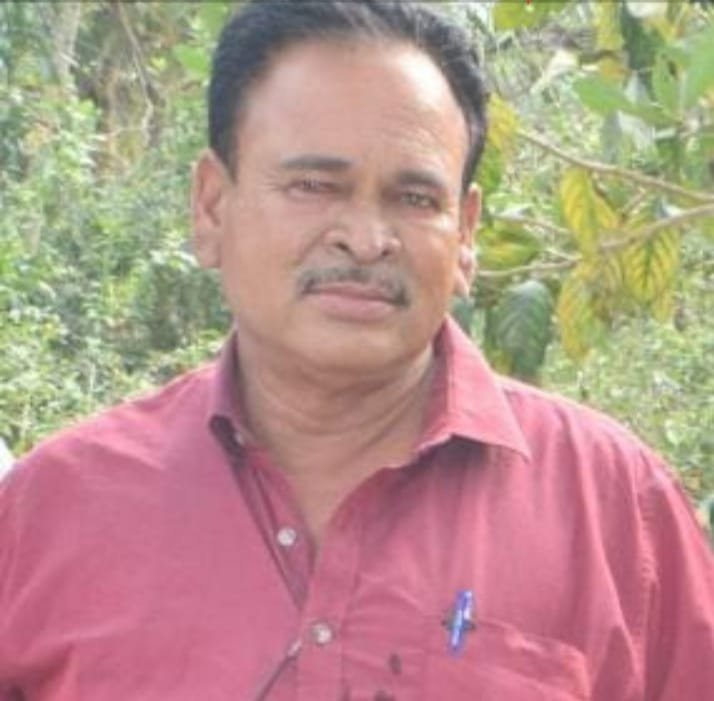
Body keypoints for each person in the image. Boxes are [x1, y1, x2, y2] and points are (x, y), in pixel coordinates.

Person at [0, 1, 712, 699]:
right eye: (314, 185)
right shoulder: (53, 510)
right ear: (211, 206)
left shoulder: (615, 509)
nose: (366, 239)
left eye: (414, 198)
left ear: (465, 234)